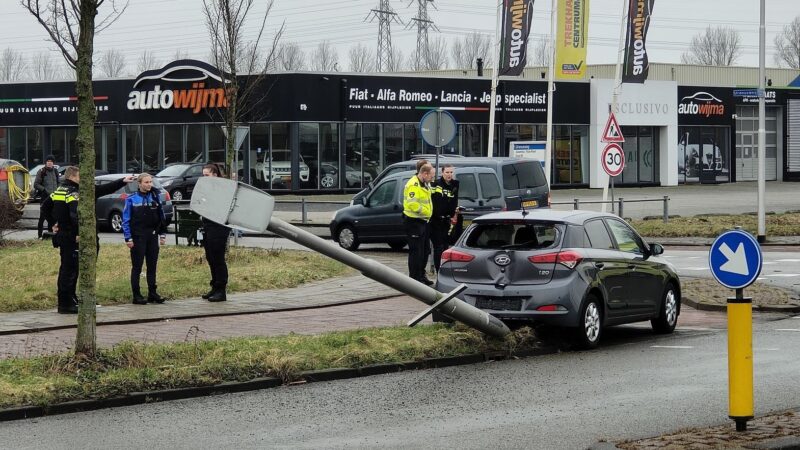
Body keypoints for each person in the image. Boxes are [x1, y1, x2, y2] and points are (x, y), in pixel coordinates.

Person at [51, 167, 133, 314]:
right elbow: (75, 215)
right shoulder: (73, 192)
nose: (84, 179)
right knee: (70, 271)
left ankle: (71, 299)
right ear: (73, 177)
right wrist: (77, 233)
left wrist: (54, 223)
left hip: (68, 235)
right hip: (73, 238)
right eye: (81, 176)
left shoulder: (61, 190)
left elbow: (46, 206)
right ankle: (66, 304)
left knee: (71, 270)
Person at [121, 173, 167, 305]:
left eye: (150, 182)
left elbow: (161, 217)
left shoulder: (155, 197)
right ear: (139, 183)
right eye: (146, 182)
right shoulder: (131, 199)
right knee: (137, 267)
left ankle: (153, 293)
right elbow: (126, 220)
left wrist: (162, 234)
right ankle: (137, 295)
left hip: (152, 235)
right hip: (138, 236)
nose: (149, 185)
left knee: (152, 266)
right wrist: (128, 238)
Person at [199, 163, 231, 302]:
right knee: (210, 257)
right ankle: (214, 286)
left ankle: (221, 290)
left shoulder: (222, 189)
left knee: (218, 258)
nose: (204, 178)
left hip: (218, 226)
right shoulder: (207, 188)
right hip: (208, 225)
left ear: (215, 175)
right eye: (203, 175)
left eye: (206, 175)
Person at [403, 162, 434, 286]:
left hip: (423, 221)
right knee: (416, 251)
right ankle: (414, 278)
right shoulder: (413, 184)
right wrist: (426, 212)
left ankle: (421, 275)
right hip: (414, 221)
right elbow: (413, 204)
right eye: (431, 175)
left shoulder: (425, 184)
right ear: (425, 174)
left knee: (425, 250)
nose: (432, 178)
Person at [430, 164, 459, 272]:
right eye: (447, 172)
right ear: (442, 173)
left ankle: (444, 271)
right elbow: (433, 201)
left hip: (447, 221)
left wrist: (454, 214)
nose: (449, 174)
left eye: (451, 172)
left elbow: (454, 202)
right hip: (436, 221)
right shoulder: (436, 184)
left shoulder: (455, 185)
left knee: (446, 247)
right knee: (438, 247)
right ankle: (439, 271)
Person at [35, 155, 59, 239]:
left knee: (52, 217)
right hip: (45, 197)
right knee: (42, 217)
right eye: (48, 161)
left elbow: (58, 182)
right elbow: (36, 184)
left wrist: (58, 190)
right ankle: (39, 236)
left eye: (51, 161)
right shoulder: (41, 171)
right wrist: (44, 190)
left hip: (54, 198)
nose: (49, 163)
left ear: (53, 163)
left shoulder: (55, 171)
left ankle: (50, 235)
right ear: (45, 162)